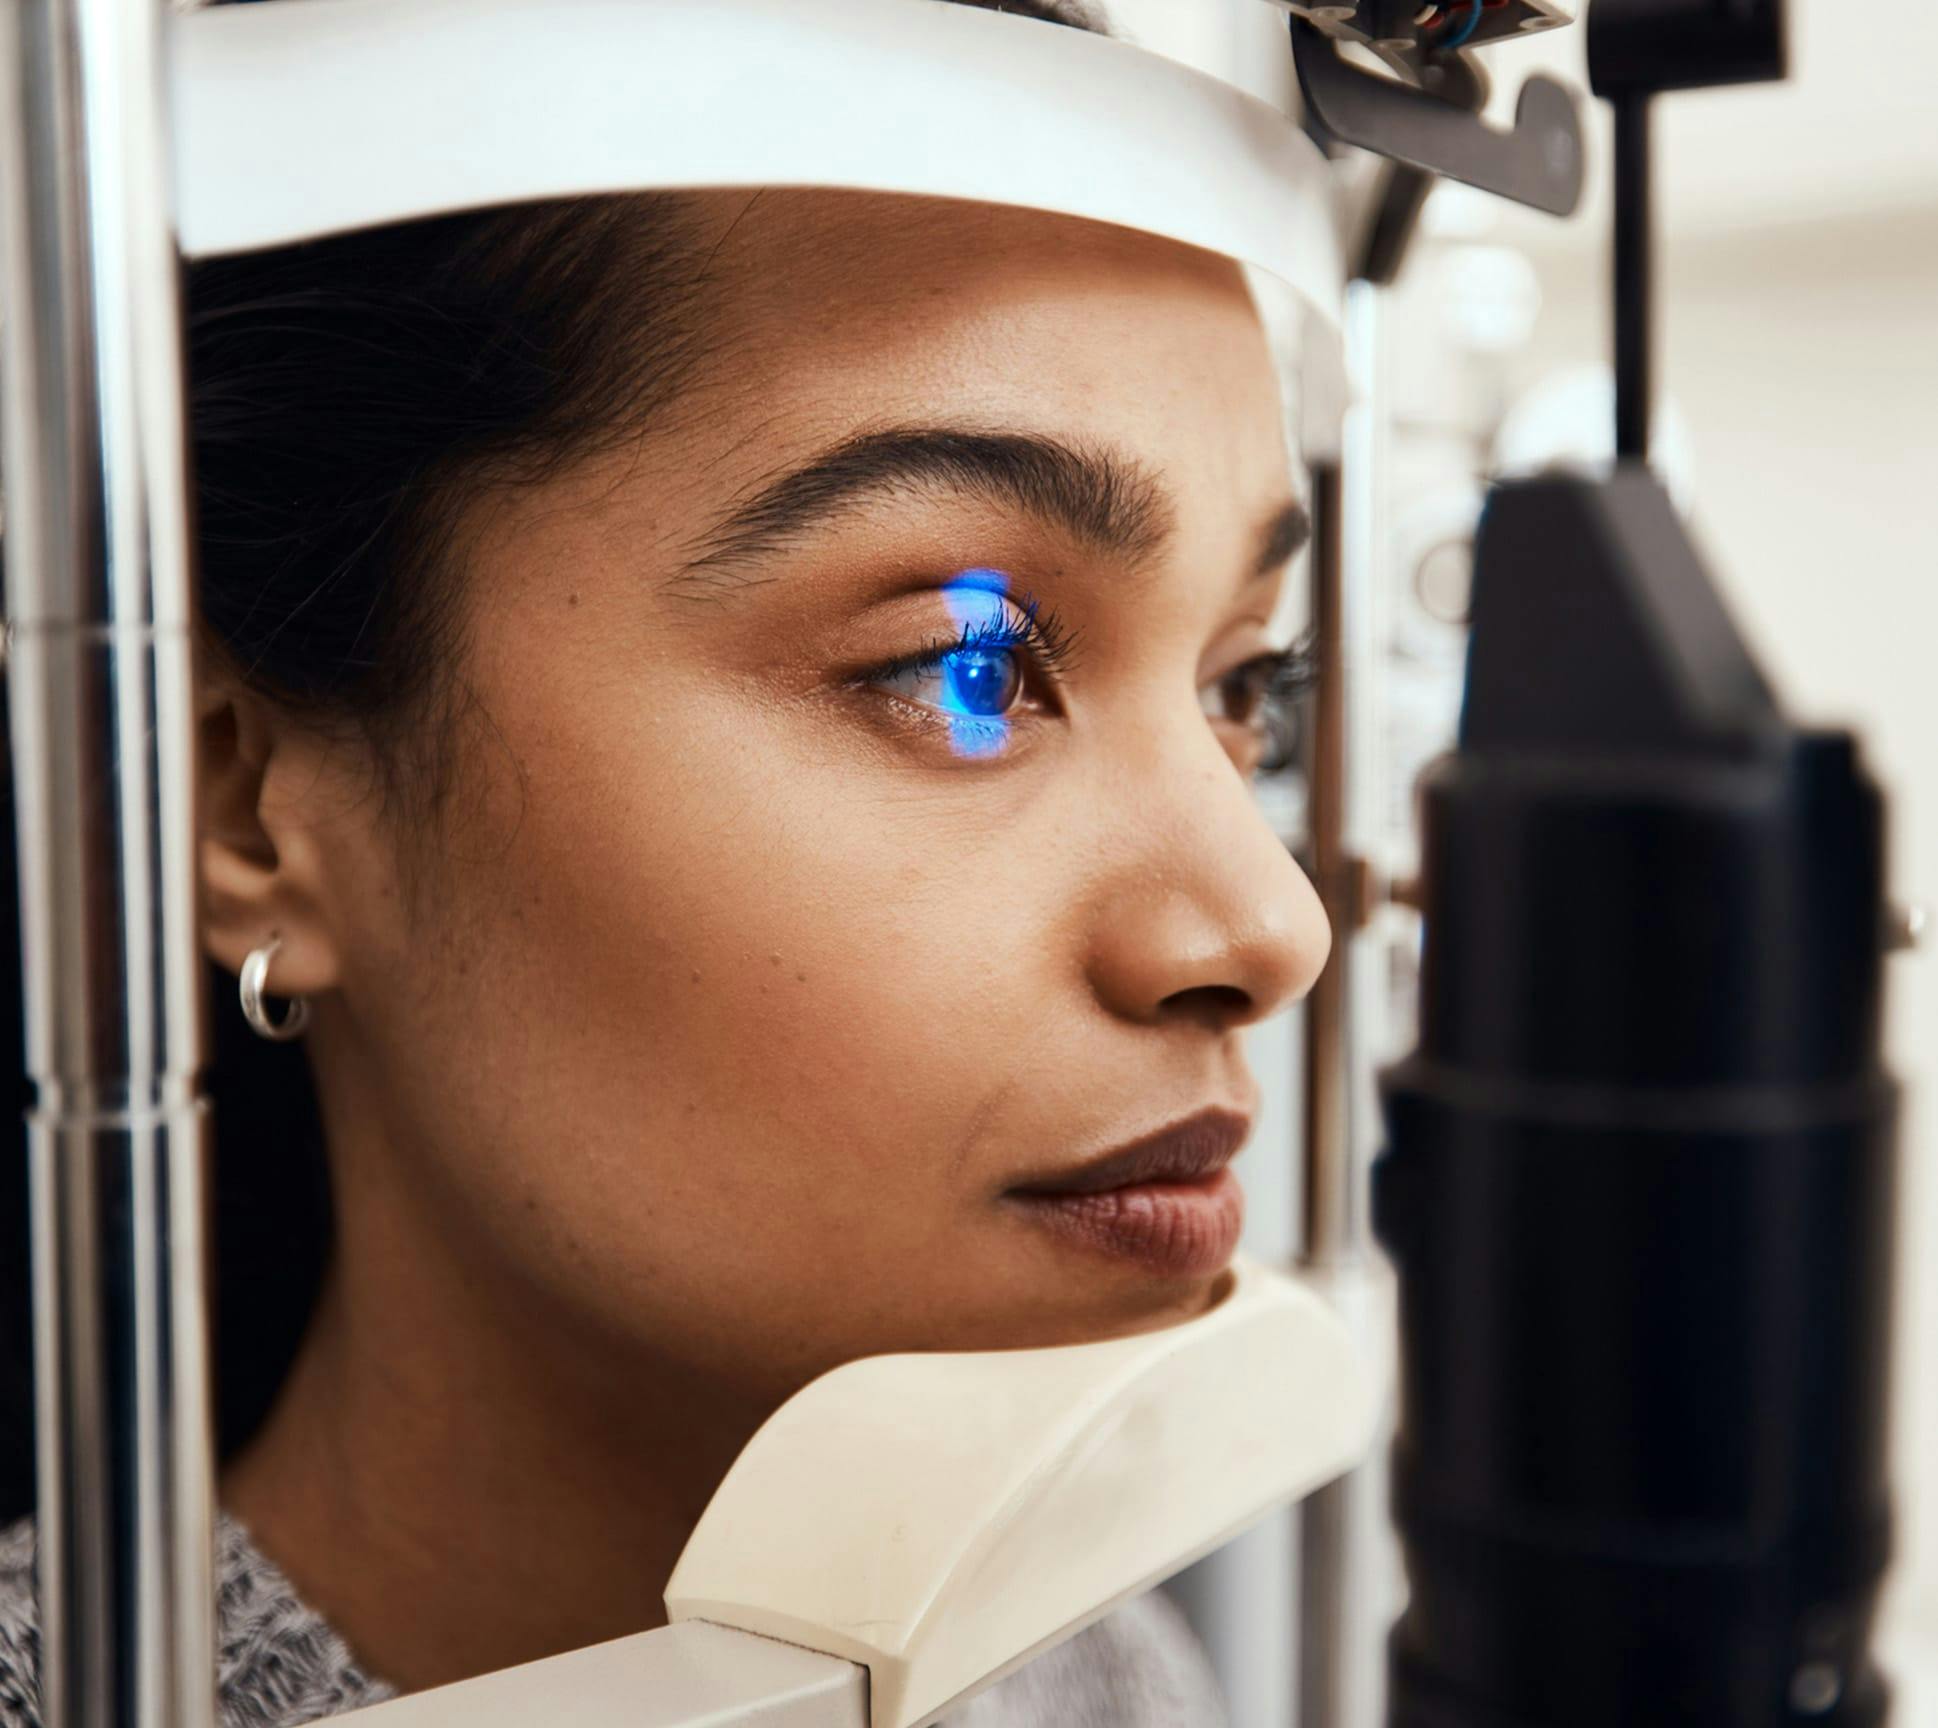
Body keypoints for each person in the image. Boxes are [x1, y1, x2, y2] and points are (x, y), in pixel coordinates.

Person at [0, 0, 1331, 1721]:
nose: (1267, 922)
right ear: (246, 809)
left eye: (1244, 686)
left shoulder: (1097, 1672)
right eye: (967, 667)